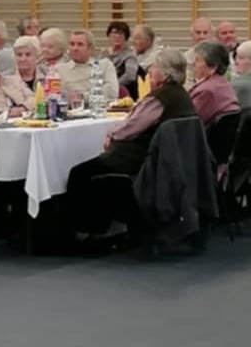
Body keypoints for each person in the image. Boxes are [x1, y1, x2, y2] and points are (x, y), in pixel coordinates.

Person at [65, 47, 197, 235]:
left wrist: (111, 134)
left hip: (139, 158)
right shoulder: (182, 95)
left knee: (79, 173)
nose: (150, 70)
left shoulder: (159, 98)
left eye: (155, 67)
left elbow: (132, 126)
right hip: (167, 159)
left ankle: (89, 229)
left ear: (165, 73)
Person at [54, 30, 120, 106]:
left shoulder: (105, 65)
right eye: (72, 44)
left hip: (100, 110)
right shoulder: (60, 69)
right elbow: (56, 97)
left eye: (80, 44)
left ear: (90, 48)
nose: (75, 48)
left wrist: (82, 96)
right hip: (72, 111)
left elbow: (112, 93)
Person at [188, 41, 240, 127]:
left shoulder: (206, 91)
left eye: (197, 60)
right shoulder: (224, 84)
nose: (193, 64)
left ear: (213, 67)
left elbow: (189, 122)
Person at [105, 21, 138, 94]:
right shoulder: (104, 54)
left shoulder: (129, 56)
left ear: (126, 37)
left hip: (120, 91)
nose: (117, 36)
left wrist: (113, 85)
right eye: (114, 33)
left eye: (120, 33)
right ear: (109, 35)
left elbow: (130, 76)